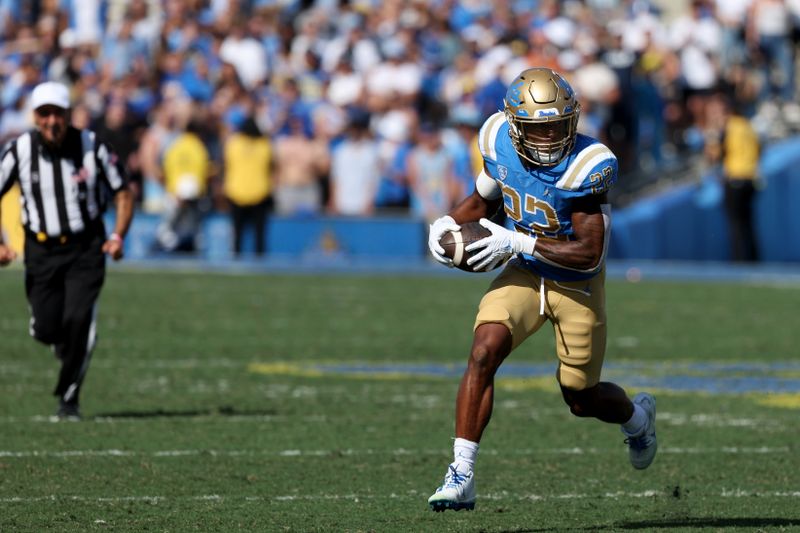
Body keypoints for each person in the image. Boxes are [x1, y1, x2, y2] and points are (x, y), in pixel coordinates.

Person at [426, 68, 658, 512]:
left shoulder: (588, 165)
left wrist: (516, 239)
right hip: (527, 274)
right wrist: (447, 224)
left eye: (557, 125)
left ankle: (638, 419)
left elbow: (590, 253)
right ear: (514, 125)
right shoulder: (497, 142)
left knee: (580, 396)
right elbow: (482, 200)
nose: (550, 137)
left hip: (577, 286)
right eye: (538, 128)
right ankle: (462, 474)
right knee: (483, 351)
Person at [0, 81, 133, 420]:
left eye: (57, 113)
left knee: (78, 321)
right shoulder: (19, 150)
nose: (51, 121)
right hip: (40, 250)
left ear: (69, 115)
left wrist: (117, 236)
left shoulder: (93, 147)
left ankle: (70, 399)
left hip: (85, 248)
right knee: (46, 328)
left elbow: (123, 192)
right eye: (44, 114)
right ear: (34, 116)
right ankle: (57, 339)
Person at [705, 92, 761, 261]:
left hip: (735, 177)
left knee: (735, 225)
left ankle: (739, 262)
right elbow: (759, 149)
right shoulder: (745, 124)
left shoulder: (726, 126)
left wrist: (711, 135)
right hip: (751, 178)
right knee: (748, 223)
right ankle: (753, 261)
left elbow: (713, 155)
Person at [223, 117, 273, 256]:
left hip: (236, 192)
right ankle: (259, 260)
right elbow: (271, 167)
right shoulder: (264, 145)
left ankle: (236, 258)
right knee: (259, 234)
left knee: (237, 233)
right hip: (259, 192)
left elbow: (227, 165)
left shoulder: (233, 143)